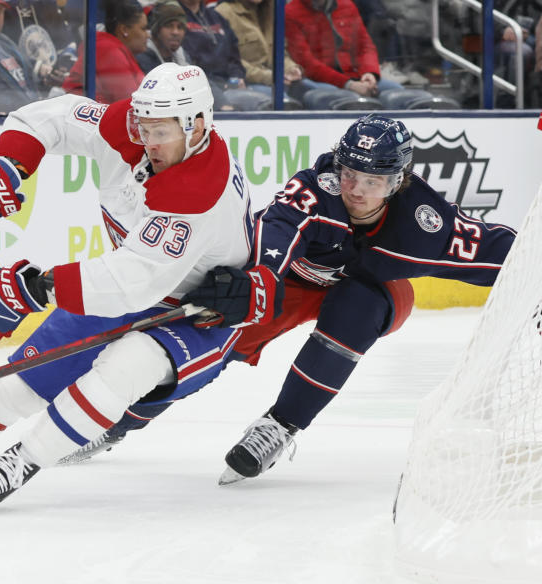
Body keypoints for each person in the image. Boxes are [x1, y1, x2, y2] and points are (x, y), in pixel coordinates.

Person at [0, 62, 257, 510]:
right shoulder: (130, 126)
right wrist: (10, 165)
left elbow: (132, 281)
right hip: (133, 284)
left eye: (161, 132)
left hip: (200, 313)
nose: (148, 143)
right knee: (24, 381)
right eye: (144, 127)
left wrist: (34, 288)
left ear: (199, 126)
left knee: (125, 366)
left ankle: (24, 458)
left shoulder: (199, 190)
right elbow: (50, 118)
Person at [70, 114, 518, 484]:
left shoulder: (427, 227)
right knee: (209, 342)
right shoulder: (314, 190)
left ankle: (280, 425)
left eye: (374, 182)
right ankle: (120, 421)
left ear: (399, 182)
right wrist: (257, 282)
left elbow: (511, 252)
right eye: (349, 175)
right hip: (292, 280)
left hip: (378, 290)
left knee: (355, 307)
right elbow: (279, 230)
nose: (357, 190)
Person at [285, 0, 403, 109]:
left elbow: (365, 46)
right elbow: (306, 63)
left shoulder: (346, 5)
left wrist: (369, 73)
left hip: (354, 75)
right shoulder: (291, 12)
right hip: (315, 80)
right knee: (344, 99)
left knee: (398, 93)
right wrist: (348, 84)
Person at [176, 0, 270, 110]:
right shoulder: (174, 18)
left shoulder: (216, 17)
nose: (174, 30)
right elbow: (185, 61)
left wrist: (237, 77)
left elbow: (234, 56)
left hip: (230, 84)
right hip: (202, 88)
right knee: (261, 103)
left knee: (277, 98)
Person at [215, 0, 305, 104]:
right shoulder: (223, 12)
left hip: (281, 80)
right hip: (248, 83)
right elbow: (229, 61)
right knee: (285, 104)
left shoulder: (272, 9)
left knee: (319, 95)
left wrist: (290, 68)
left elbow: (279, 52)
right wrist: (270, 77)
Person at [62, 0, 147, 104]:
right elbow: (132, 105)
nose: (148, 35)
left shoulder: (113, 49)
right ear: (124, 30)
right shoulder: (110, 52)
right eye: (143, 29)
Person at [135, 1, 190, 73]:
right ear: (156, 30)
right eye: (169, 26)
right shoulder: (142, 56)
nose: (175, 32)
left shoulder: (182, 54)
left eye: (180, 27)